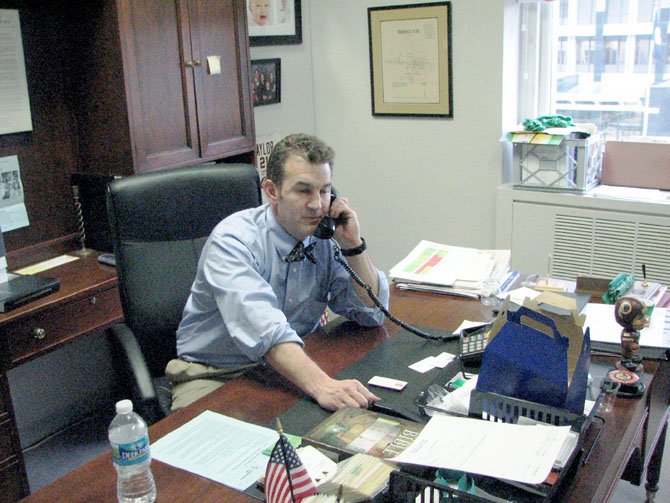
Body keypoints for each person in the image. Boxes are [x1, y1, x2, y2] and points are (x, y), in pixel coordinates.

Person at [166, 134, 390, 411]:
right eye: (303, 191)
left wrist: (353, 246)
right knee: (228, 451)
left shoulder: (323, 237)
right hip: (217, 374)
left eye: (324, 191)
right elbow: (266, 332)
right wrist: (323, 386)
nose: (317, 205)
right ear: (272, 191)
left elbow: (372, 314)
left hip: (291, 364)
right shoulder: (233, 241)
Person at [614, 295, 647, 372]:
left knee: (631, 354)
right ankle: (626, 362)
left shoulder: (634, 331)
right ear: (627, 320)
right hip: (627, 351)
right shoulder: (627, 334)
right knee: (627, 354)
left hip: (632, 351)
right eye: (639, 318)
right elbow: (626, 343)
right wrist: (632, 345)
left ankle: (631, 358)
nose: (644, 320)